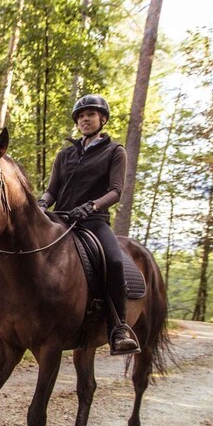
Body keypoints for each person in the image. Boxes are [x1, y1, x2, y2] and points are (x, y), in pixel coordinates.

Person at [37, 94, 140, 355]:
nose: (85, 119)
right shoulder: (65, 155)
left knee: (115, 262)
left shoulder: (115, 151)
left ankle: (118, 327)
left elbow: (116, 191)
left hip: (93, 221)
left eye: (91, 115)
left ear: (102, 119)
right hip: (60, 218)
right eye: (81, 116)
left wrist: (92, 206)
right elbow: (52, 190)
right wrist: (40, 204)